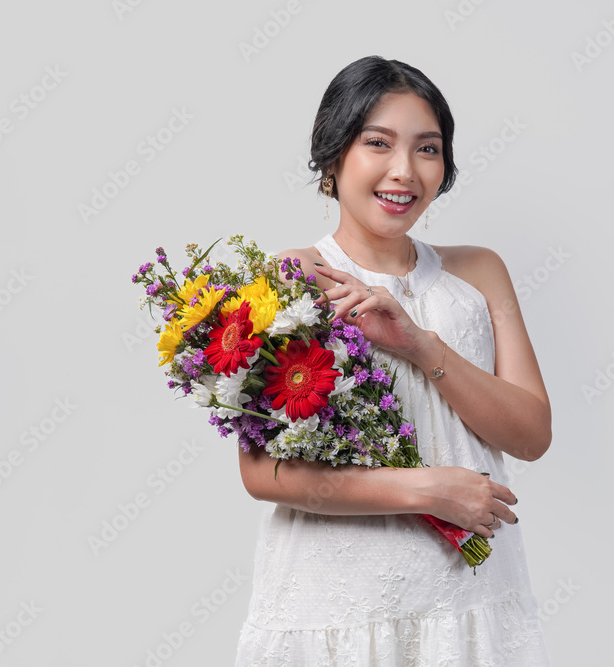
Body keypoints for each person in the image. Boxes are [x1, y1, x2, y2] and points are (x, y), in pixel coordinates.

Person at [235, 55, 553, 666]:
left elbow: (531, 434)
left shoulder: (479, 271)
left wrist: (419, 345)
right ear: (333, 155)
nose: (404, 171)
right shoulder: (291, 278)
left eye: (427, 149)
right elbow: (264, 474)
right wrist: (430, 490)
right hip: (340, 601)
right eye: (377, 143)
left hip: (472, 596)